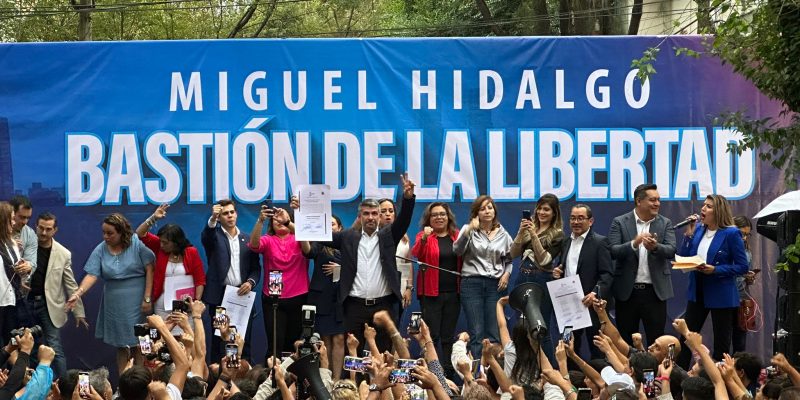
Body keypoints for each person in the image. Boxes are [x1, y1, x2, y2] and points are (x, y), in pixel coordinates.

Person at [294, 174, 416, 353]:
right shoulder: (348, 237)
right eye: (366, 214)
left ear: (380, 216)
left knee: (384, 353)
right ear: (360, 216)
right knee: (354, 355)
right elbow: (318, 233)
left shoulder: (389, 235)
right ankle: (357, 381)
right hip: (354, 306)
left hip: (384, 304)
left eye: (375, 213)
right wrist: (300, 212)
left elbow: (404, 218)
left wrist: (407, 198)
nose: (371, 217)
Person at [65, 213, 155, 375]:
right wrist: (78, 293)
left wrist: (147, 297)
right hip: (114, 303)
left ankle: (141, 381)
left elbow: (150, 267)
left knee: (141, 343)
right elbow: (92, 274)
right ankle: (124, 384)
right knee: (121, 345)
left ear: (121, 232)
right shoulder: (101, 249)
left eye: (110, 233)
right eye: (104, 233)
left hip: (138, 301)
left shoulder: (135, 243)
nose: (105, 236)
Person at [676, 194, 748, 367]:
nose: (703, 209)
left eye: (708, 206)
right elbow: (684, 257)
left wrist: (716, 270)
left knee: (721, 344)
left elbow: (742, 266)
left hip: (721, 293)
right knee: (687, 337)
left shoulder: (731, 233)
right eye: (703, 205)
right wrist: (688, 235)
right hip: (698, 290)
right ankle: (678, 380)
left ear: (718, 211)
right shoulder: (699, 230)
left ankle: (721, 383)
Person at [608, 183, 677, 347]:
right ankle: (628, 372)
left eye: (659, 200)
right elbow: (613, 250)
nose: (657, 204)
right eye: (653, 200)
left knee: (656, 342)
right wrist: (634, 243)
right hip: (627, 293)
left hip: (655, 293)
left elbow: (671, 250)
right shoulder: (619, 222)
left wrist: (655, 247)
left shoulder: (665, 223)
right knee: (626, 341)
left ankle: (657, 373)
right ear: (639, 201)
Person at [27, 212, 89, 379]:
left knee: (55, 348)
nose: (44, 233)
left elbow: (70, 284)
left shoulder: (63, 254)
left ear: (55, 230)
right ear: (35, 227)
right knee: (28, 348)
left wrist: (78, 312)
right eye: (41, 228)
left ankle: (62, 389)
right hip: (25, 304)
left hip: (50, 306)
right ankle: (32, 387)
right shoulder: (25, 246)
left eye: (48, 229)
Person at [201, 199, 261, 362]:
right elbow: (207, 236)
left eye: (231, 212)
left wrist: (250, 283)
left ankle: (245, 380)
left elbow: (256, 268)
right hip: (220, 297)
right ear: (219, 218)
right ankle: (218, 379)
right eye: (225, 213)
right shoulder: (214, 237)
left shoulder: (248, 239)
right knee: (220, 339)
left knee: (243, 338)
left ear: (237, 214)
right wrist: (212, 218)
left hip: (241, 295)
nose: (229, 216)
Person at [454, 195, 513, 358]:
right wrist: (468, 231)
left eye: (490, 208)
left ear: (494, 211)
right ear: (476, 213)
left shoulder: (503, 233)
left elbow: (509, 259)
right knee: (477, 332)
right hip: (472, 284)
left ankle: (494, 375)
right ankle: (478, 375)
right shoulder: (469, 229)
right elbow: (457, 251)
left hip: (496, 285)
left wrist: (506, 274)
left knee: (495, 331)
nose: (487, 211)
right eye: (482, 208)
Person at [552, 204, 613, 359]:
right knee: (567, 345)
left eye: (580, 218)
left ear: (590, 221)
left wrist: (594, 293)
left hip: (591, 305)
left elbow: (607, 275)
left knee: (597, 347)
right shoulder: (565, 242)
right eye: (573, 218)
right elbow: (564, 266)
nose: (576, 222)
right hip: (569, 307)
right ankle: (570, 380)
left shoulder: (600, 242)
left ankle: (599, 382)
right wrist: (559, 272)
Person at [509, 193, 564, 365]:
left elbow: (546, 260)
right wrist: (521, 233)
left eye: (546, 209)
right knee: (521, 328)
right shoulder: (527, 229)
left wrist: (533, 235)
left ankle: (550, 371)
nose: (541, 212)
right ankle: (526, 368)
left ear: (554, 213)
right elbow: (512, 254)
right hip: (522, 277)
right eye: (539, 208)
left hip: (541, 280)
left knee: (541, 328)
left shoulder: (557, 234)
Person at [249, 205, 309, 357]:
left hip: (298, 298)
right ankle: (271, 378)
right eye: (276, 219)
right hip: (273, 300)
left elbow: (307, 244)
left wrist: (288, 222)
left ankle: (291, 379)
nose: (280, 221)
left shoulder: (300, 238)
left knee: (293, 344)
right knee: (275, 345)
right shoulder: (268, 240)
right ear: (271, 224)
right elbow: (254, 245)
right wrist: (260, 220)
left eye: (283, 219)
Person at [410, 202, 461, 379]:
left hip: (454, 293)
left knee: (448, 336)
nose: (439, 217)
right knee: (433, 335)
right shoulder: (423, 236)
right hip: (431, 295)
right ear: (428, 219)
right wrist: (424, 237)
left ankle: (447, 372)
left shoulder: (456, 236)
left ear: (448, 217)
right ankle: (432, 372)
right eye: (434, 215)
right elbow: (416, 253)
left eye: (442, 214)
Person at [135, 204, 206, 320]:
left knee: (186, 336)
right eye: (161, 242)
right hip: (162, 304)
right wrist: (154, 218)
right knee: (163, 336)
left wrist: (195, 304)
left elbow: (200, 280)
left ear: (176, 242)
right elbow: (140, 234)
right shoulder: (159, 248)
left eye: (165, 243)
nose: (161, 245)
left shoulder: (191, 252)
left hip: (185, 305)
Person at [304, 214, 346, 379]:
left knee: (339, 340)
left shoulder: (348, 244)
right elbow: (307, 251)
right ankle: (326, 377)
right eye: (327, 225)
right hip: (321, 299)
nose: (330, 227)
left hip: (341, 299)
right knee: (325, 340)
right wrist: (302, 232)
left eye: (333, 224)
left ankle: (336, 379)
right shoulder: (319, 244)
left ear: (340, 228)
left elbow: (360, 266)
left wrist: (342, 269)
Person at [378, 199, 413, 312]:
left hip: (400, 287)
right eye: (383, 211)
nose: (387, 214)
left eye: (391, 211)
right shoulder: (371, 236)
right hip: (379, 287)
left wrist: (408, 287)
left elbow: (407, 263)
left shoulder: (404, 238)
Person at [0, 202, 25, 343]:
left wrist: (25, 268)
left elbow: (19, 271)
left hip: (12, 301)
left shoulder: (13, 244)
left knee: (12, 342)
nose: (14, 222)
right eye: (11, 219)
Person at [733, 215, 757, 353]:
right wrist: (741, 273)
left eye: (747, 235)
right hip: (728, 298)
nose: (744, 238)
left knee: (740, 342)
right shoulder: (725, 247)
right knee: (724, 338)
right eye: (741, 234)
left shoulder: (747, 250)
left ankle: (739, 372)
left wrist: (750, 278)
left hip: (743, 299)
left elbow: (746, 274)